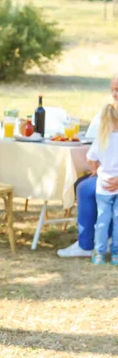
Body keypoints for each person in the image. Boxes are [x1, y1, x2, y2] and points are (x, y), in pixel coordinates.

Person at [57, 75, 118, 257]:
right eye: (113, 90)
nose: (115, 94)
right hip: (111, 174)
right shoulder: (109, 115)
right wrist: (99, 170)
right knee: (85, 187)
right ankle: (86, 244)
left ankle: (107, 240)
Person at [86, 103, 118, 264]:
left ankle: (99, 253)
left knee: (103, 220)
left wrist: (95, 169)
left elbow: (90, 158)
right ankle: (116, 254)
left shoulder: (101, 139)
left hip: (104, 184)